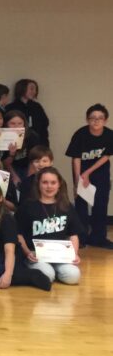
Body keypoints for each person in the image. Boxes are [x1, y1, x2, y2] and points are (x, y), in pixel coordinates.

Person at [0, 182, 52, 290]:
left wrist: (8, 274)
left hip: (7, 257)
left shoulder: (7, 219)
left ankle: (29, 275)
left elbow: (9, 250)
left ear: (0, 198)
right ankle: (15, 272)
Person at [17, 168, 82, 285]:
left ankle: (54, 271)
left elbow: (73, 234)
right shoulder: (28, 206)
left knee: (74, 276)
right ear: (38, 184)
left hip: (60, 255)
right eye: (45, 182)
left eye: (53, 182)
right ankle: (47, 271)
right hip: (35, 255)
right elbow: (19, 234)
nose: (49, 186)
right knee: (47, 275)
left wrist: (74, 254)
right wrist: (27, 253)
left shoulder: (66, 206)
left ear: (59, 185)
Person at [65, 103, 113, 248]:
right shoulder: (80, 134)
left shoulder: (109, 135)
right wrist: (78, 180)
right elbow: (76, 158)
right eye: (93, 118)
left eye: (100, 118)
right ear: (87, 119)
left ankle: (99, 238)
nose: (96, 121)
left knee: (101, 204)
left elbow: (106, 156)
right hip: (81, 170)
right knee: (81, 204)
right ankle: (81, 238)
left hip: (100, 172)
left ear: (105, 120)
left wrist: (88, 173)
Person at [6, 79, 50, 147]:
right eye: (31, 89)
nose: (34, 92)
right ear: (22, 89)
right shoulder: (11, 107)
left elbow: (44, 125)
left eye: (35, 90)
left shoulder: (37, 106)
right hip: (17, 144)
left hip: (37, 144)